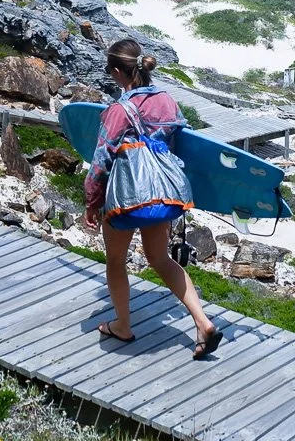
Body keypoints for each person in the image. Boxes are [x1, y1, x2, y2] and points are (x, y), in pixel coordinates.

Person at [83, 38, 224, 359]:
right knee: (160, 259)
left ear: (119, 72)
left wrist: (91, 202)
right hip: (162, 193)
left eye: (111, 71)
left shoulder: (118, 111)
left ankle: (123, 325)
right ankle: (203, 322)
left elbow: (101, 162)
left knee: (116, 261)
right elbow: (179, 144)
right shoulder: (167, 101)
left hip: (126, 198)